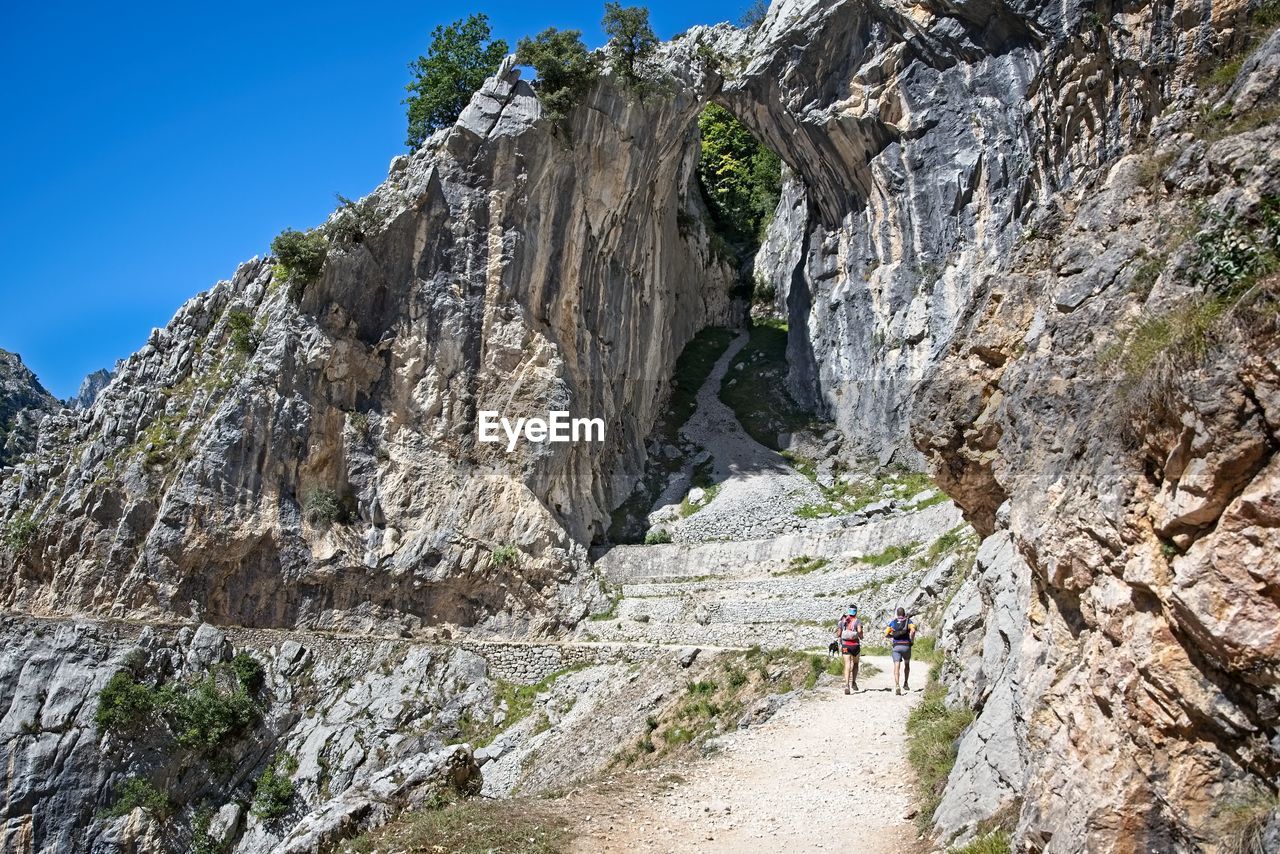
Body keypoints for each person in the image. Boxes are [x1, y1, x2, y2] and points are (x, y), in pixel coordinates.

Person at [885, 607, 917, 695]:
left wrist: (892, 636)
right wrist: (911, 640)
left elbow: (886, 633)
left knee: (896, 666)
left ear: (897, 614)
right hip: (906, 646)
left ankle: (897, 685)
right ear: (904, 613)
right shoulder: (908, 622)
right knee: (907, 664)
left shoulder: (893, 622)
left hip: (896, 647)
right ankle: (906, 683)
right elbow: (913, 631)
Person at [835, 605, 863, 694]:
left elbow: (838, 634)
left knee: (847, 664)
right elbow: (859, 631)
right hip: (855, 645)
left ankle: (846, 685)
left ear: (849, 611)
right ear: (856, 612)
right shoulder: (858, 621)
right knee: (855, 663)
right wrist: (861, 636)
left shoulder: (842, 621)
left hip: (845, 645)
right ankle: (853, 682)